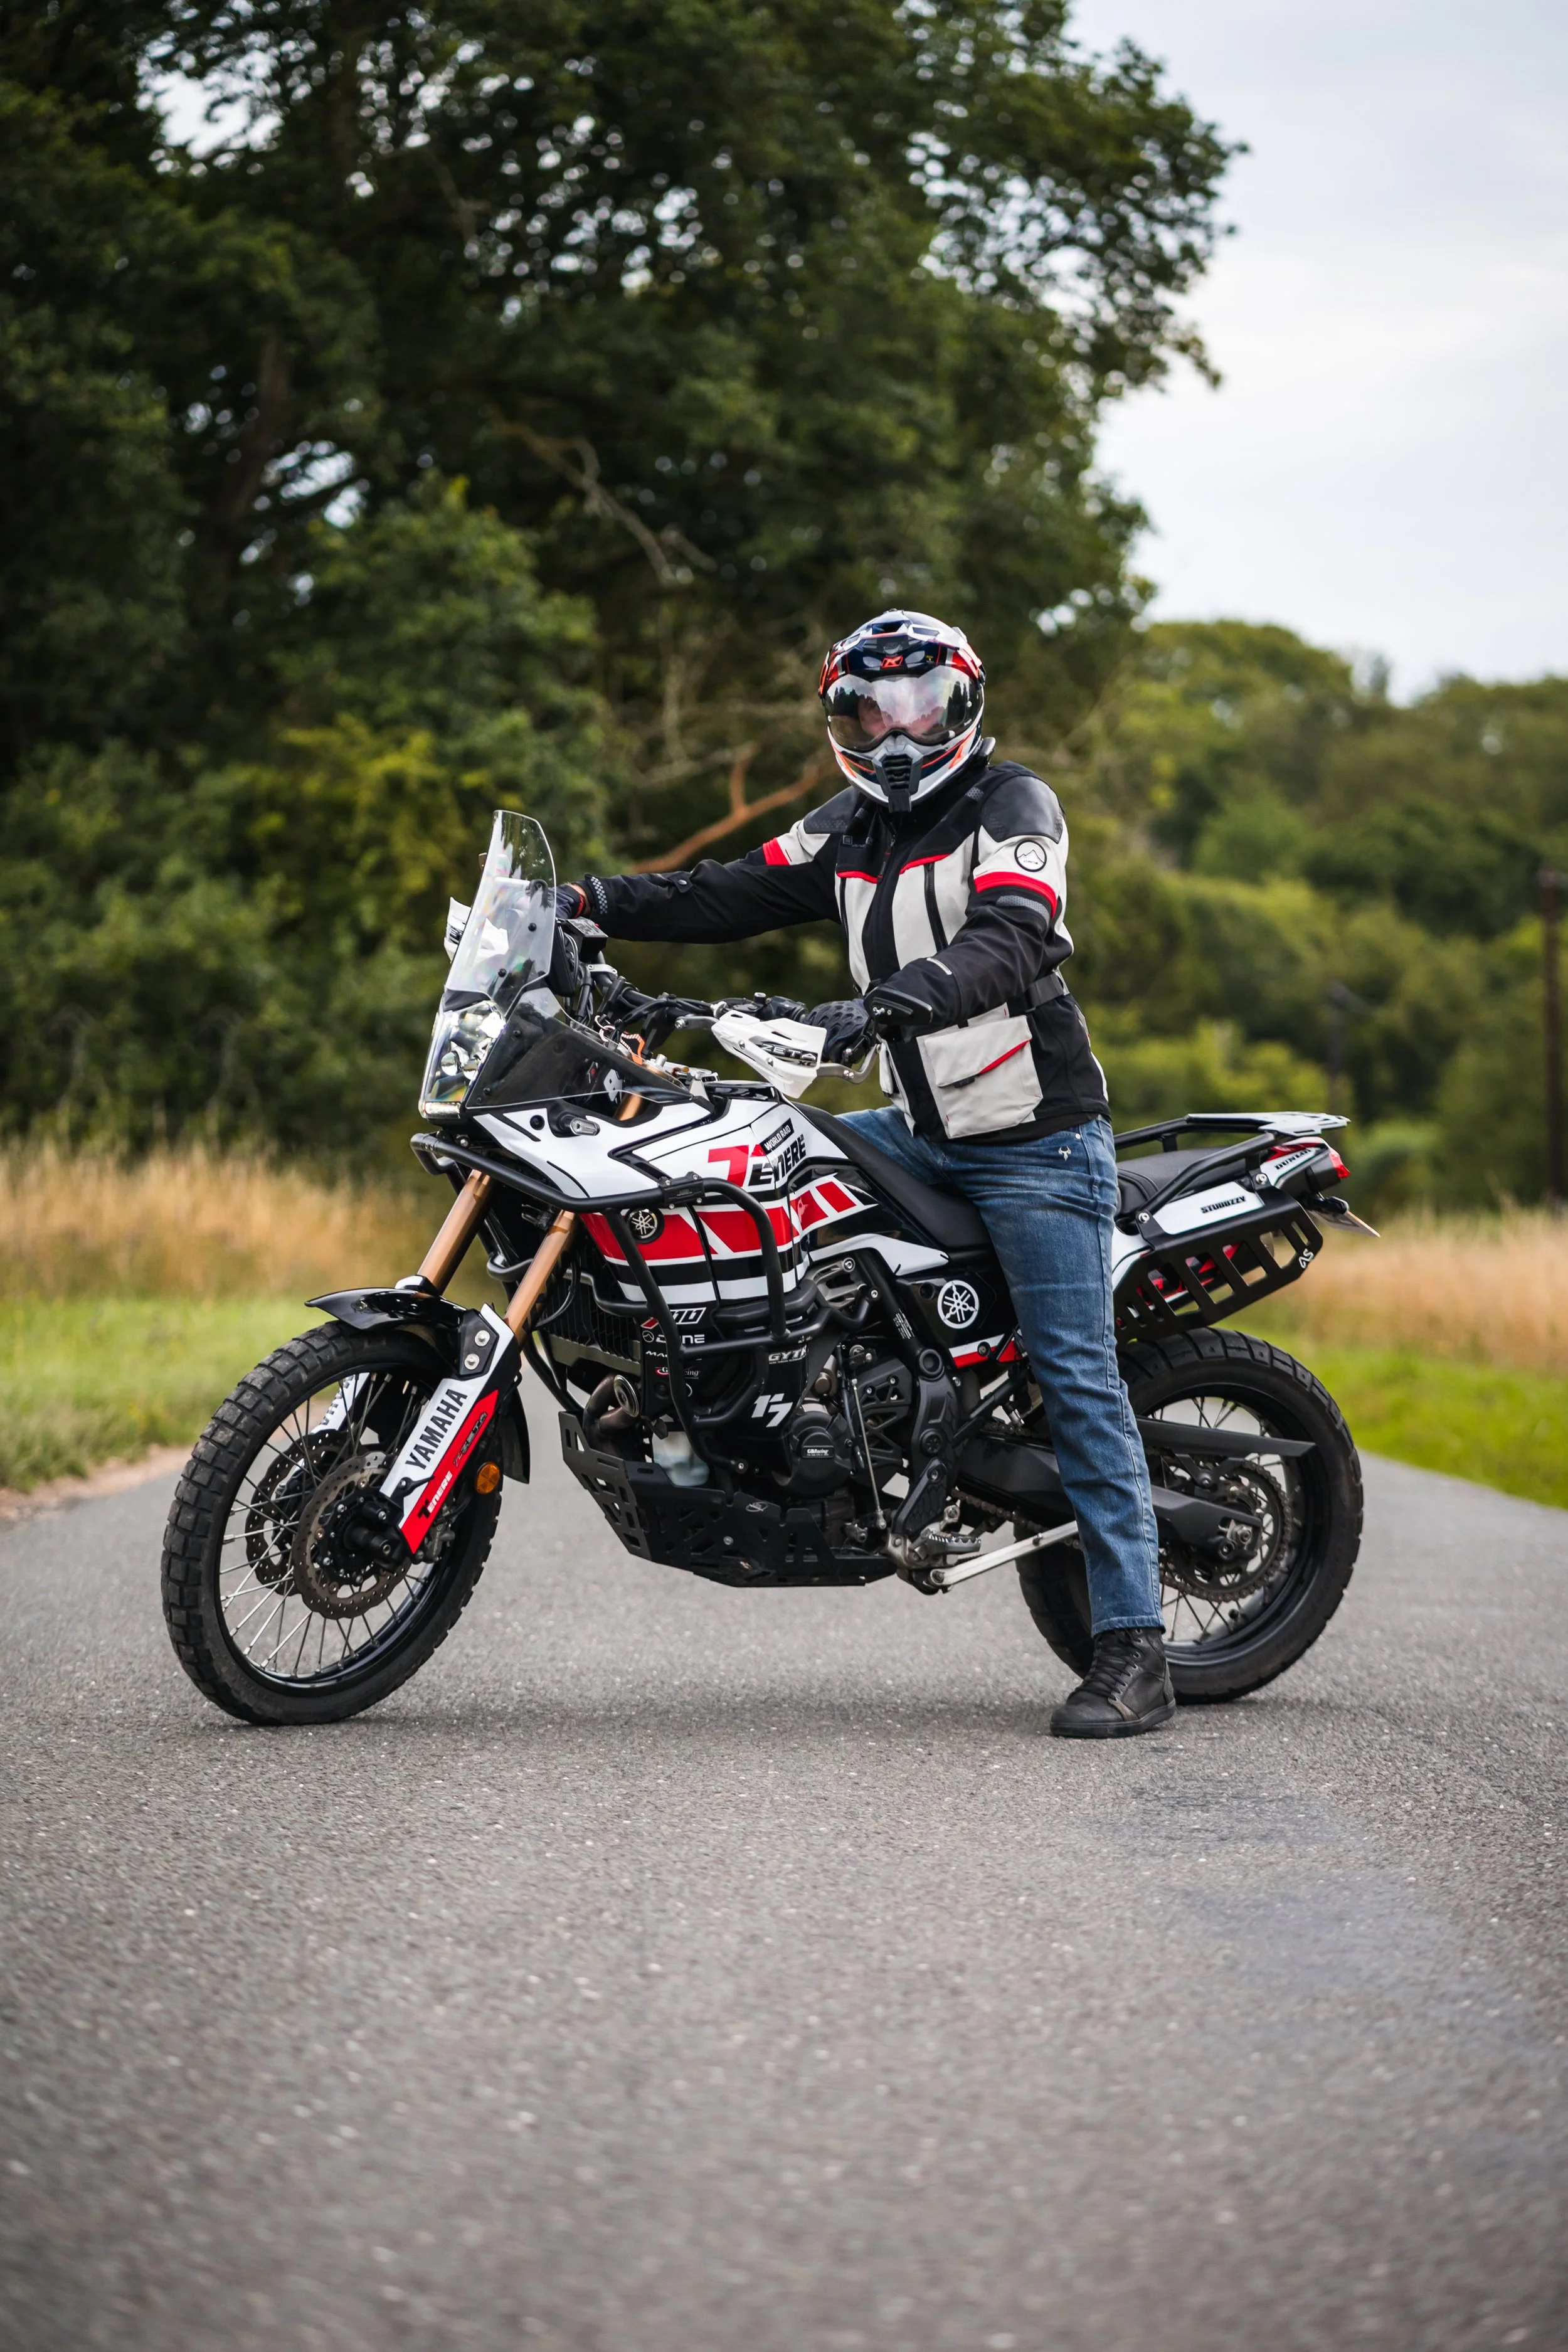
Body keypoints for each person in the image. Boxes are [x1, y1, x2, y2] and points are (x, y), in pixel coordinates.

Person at [556, 610, 1172, 1739]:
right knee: (754, 1154)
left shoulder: (1014, 807)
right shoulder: (849, 826)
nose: (895, 731)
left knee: (1077, 1374)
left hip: (1038, 1143)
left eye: (918, 702)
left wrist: (876, 1009)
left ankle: (1133, 1647)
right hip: (922, 1127)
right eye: (868, 708)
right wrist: (587, 901)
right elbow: (722, 892)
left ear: (963, 702)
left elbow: (1012, 940)